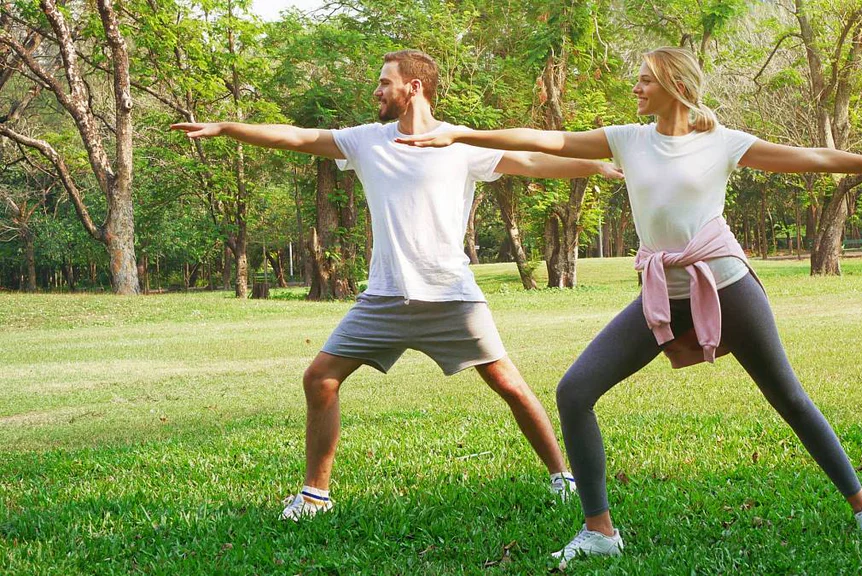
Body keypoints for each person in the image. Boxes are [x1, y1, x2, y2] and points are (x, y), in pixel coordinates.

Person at [397, 46, 862, 565]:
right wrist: (466, 135)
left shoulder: (723, 143)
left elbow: (813, 156)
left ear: (673, 83)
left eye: (644, 79)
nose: (635, 87)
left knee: (787, 395)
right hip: (661, 291)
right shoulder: (628, 139)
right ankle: (600, 531)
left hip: (727, 284)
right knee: (575, 391)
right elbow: (549, 140)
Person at [171, 49, 623, 521]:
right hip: (385, 297)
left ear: (415, 88)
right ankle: (314, 496)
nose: (377, 91)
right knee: (320, 379)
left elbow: (531, 162)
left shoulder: (459, 143)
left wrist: (593, 167)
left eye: (385, 82)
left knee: (508, 383)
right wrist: (226, 128)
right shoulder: (368, 141)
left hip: (451, 297)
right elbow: (297, 137)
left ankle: (562, 476)